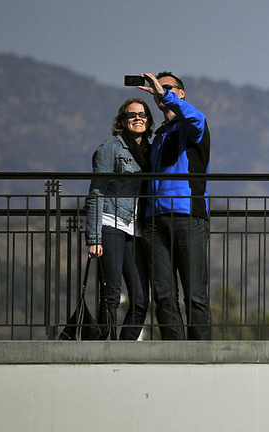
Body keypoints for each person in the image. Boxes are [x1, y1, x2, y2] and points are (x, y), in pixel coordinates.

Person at [136, 72, 211, 340]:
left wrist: (163, 94)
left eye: (167, 87)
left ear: (181, 93)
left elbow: (195, 118)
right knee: (164, 295)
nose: (160, 91)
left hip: (187, 216)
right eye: (158, 87)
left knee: (195, 294)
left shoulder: (192, 126)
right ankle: (175, 353)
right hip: (154, 221)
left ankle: (201, 356)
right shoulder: (159, 135)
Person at [85, 97, 153, 340]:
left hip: (136, 230)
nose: (138, 118)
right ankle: (104, 348)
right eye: (132, 115)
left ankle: (123, 347)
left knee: (141, 300)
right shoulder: (110, 149)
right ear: (122, 121)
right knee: (111, 294)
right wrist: (93, 237)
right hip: (111, 223)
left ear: (148, 120)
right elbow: (96, 193)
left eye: (142, 114)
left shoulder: (151, 151)